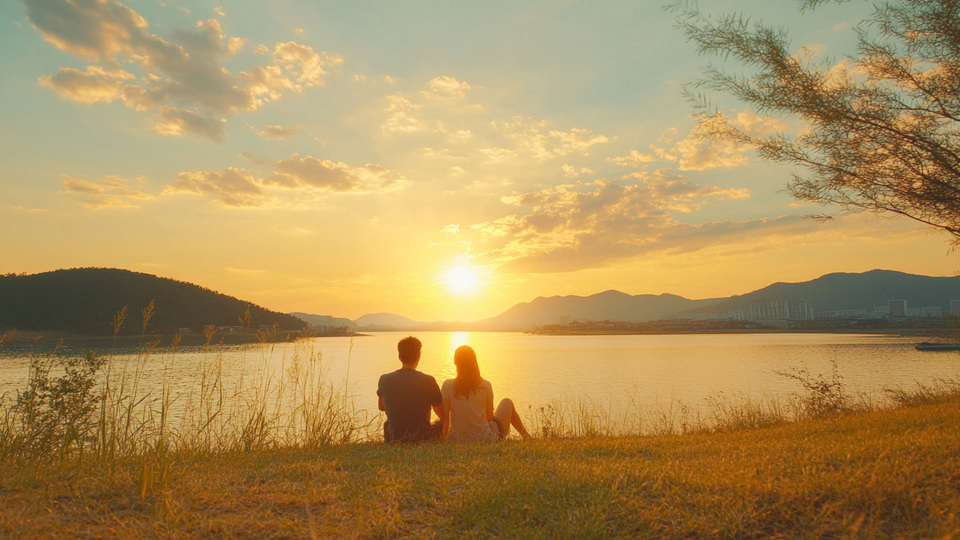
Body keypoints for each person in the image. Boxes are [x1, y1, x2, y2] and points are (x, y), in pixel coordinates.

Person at [441, 345, 531, 442]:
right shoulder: (485, 386)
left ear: (456, 363)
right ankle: (527, 437)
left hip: (456, 439)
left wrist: (444, 440)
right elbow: (489, 418)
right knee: (507, 402)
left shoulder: (447, 386)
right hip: (484, 439)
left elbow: (445, 420)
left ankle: (527, 438)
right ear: (474, 362)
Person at [377, 336, 443, 442]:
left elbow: (382, 407)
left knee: (387, 424)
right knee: (439, 423)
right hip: (423, 438)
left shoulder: (384, 379)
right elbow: (441, 413)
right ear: (419, 356)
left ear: (399, 356)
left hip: (395, 439)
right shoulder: (429, 380)